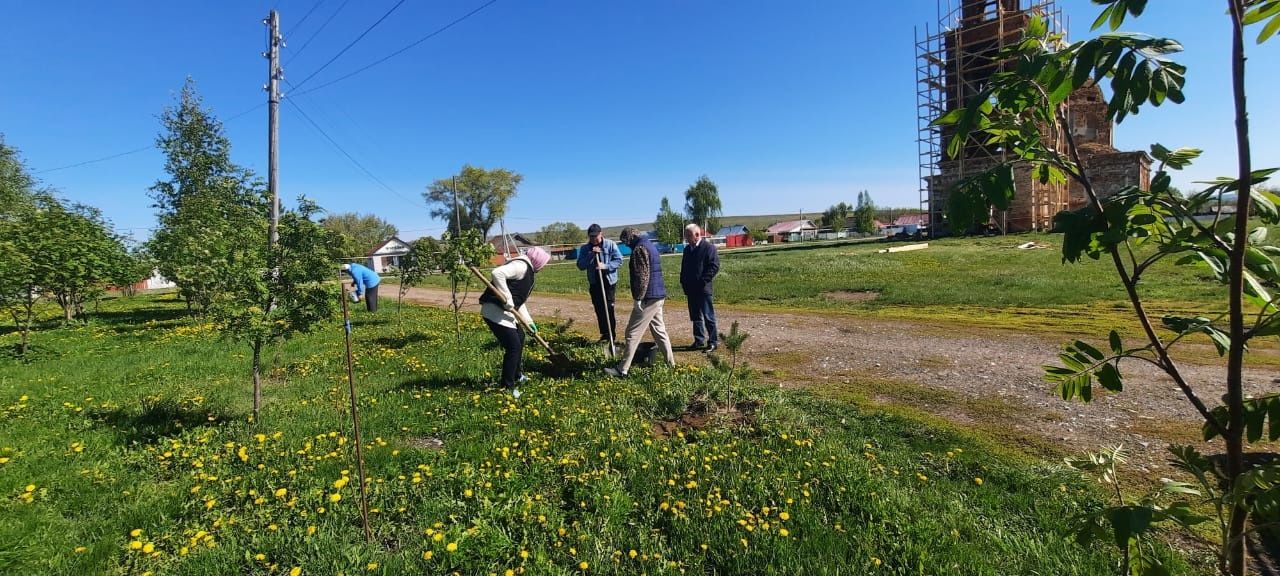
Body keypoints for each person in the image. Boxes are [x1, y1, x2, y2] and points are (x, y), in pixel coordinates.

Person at [480, 246, 551, 397]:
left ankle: (517, 375)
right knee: (513, 346)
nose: (543, 267)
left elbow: (520, 300)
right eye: (543, 263)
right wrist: (507, 298)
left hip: (504, 311)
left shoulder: (528, 270)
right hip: (494, 311)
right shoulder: (520, 265)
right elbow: (497, 273)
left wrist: (529, 321)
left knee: (520, 337)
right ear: (537, 260)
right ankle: (507, 386)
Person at [605, 228, 675, 377]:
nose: (627, 245)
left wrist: (638, 298)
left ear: (630, 238)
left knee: (632, 333)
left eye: (626, 242)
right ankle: (671, 364)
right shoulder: (649, 245)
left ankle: (622, 369)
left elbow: (642, 277)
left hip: (648, 298)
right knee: (659, 330)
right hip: (658, 295)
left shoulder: (639, 249)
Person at [575, 223, 623, 345]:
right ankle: (605, 334)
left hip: (608, 282)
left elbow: (619, 260)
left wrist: (605, 266)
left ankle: (612, 335)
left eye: (596, 236)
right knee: (599, 309)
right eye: (591, 236)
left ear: (601, 234)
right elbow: (580, 265)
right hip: (595, 283)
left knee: (609, 308)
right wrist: (591, 255)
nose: (593, 239)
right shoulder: (585, 249)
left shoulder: (610, 245)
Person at [680, 223, 721, 353]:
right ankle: (698, 340)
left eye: (688, 235)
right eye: (685, 235)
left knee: (708, 316)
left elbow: (714, 266)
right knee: (695, 316)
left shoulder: (708, 248)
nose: (686, 238)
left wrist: (702, 281)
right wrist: (683, 282)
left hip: (703, 289)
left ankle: (713, 342)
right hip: (691, 289)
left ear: (697, 235)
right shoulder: (687, 250)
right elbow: (684, 268)